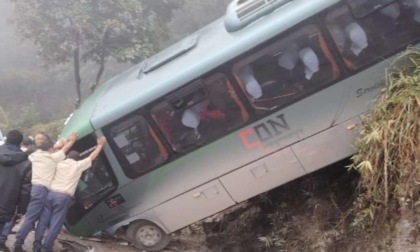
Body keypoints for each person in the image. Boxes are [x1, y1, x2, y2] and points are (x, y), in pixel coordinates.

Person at [33, 136, 107, 252]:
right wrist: (100, 145)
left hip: (50, 194)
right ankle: (46, 248)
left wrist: (64, 143)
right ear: (77, 159)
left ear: (67, 156)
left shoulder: (58, 164)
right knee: (55, 224)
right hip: (63, 198)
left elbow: (55, 153)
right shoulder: (78, 166)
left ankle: (36, 246)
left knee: (43, 221)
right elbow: (92, 157)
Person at [13, 132, 77, 252]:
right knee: (31, 219)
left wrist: (60, 144)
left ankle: (32, 245)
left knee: (34, 218)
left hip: (32, 188)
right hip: (41, 191)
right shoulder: (52, 158)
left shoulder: (35, 155)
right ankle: (18, 244)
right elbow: (65, 149)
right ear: (51, 149)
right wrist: (71, 140)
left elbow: (55, 148)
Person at [0, 130, 32, 252]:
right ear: (20, 143)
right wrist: (21, 211)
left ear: (7, 139)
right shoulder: (26, 162)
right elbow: (25, 190)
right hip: (6, 205)